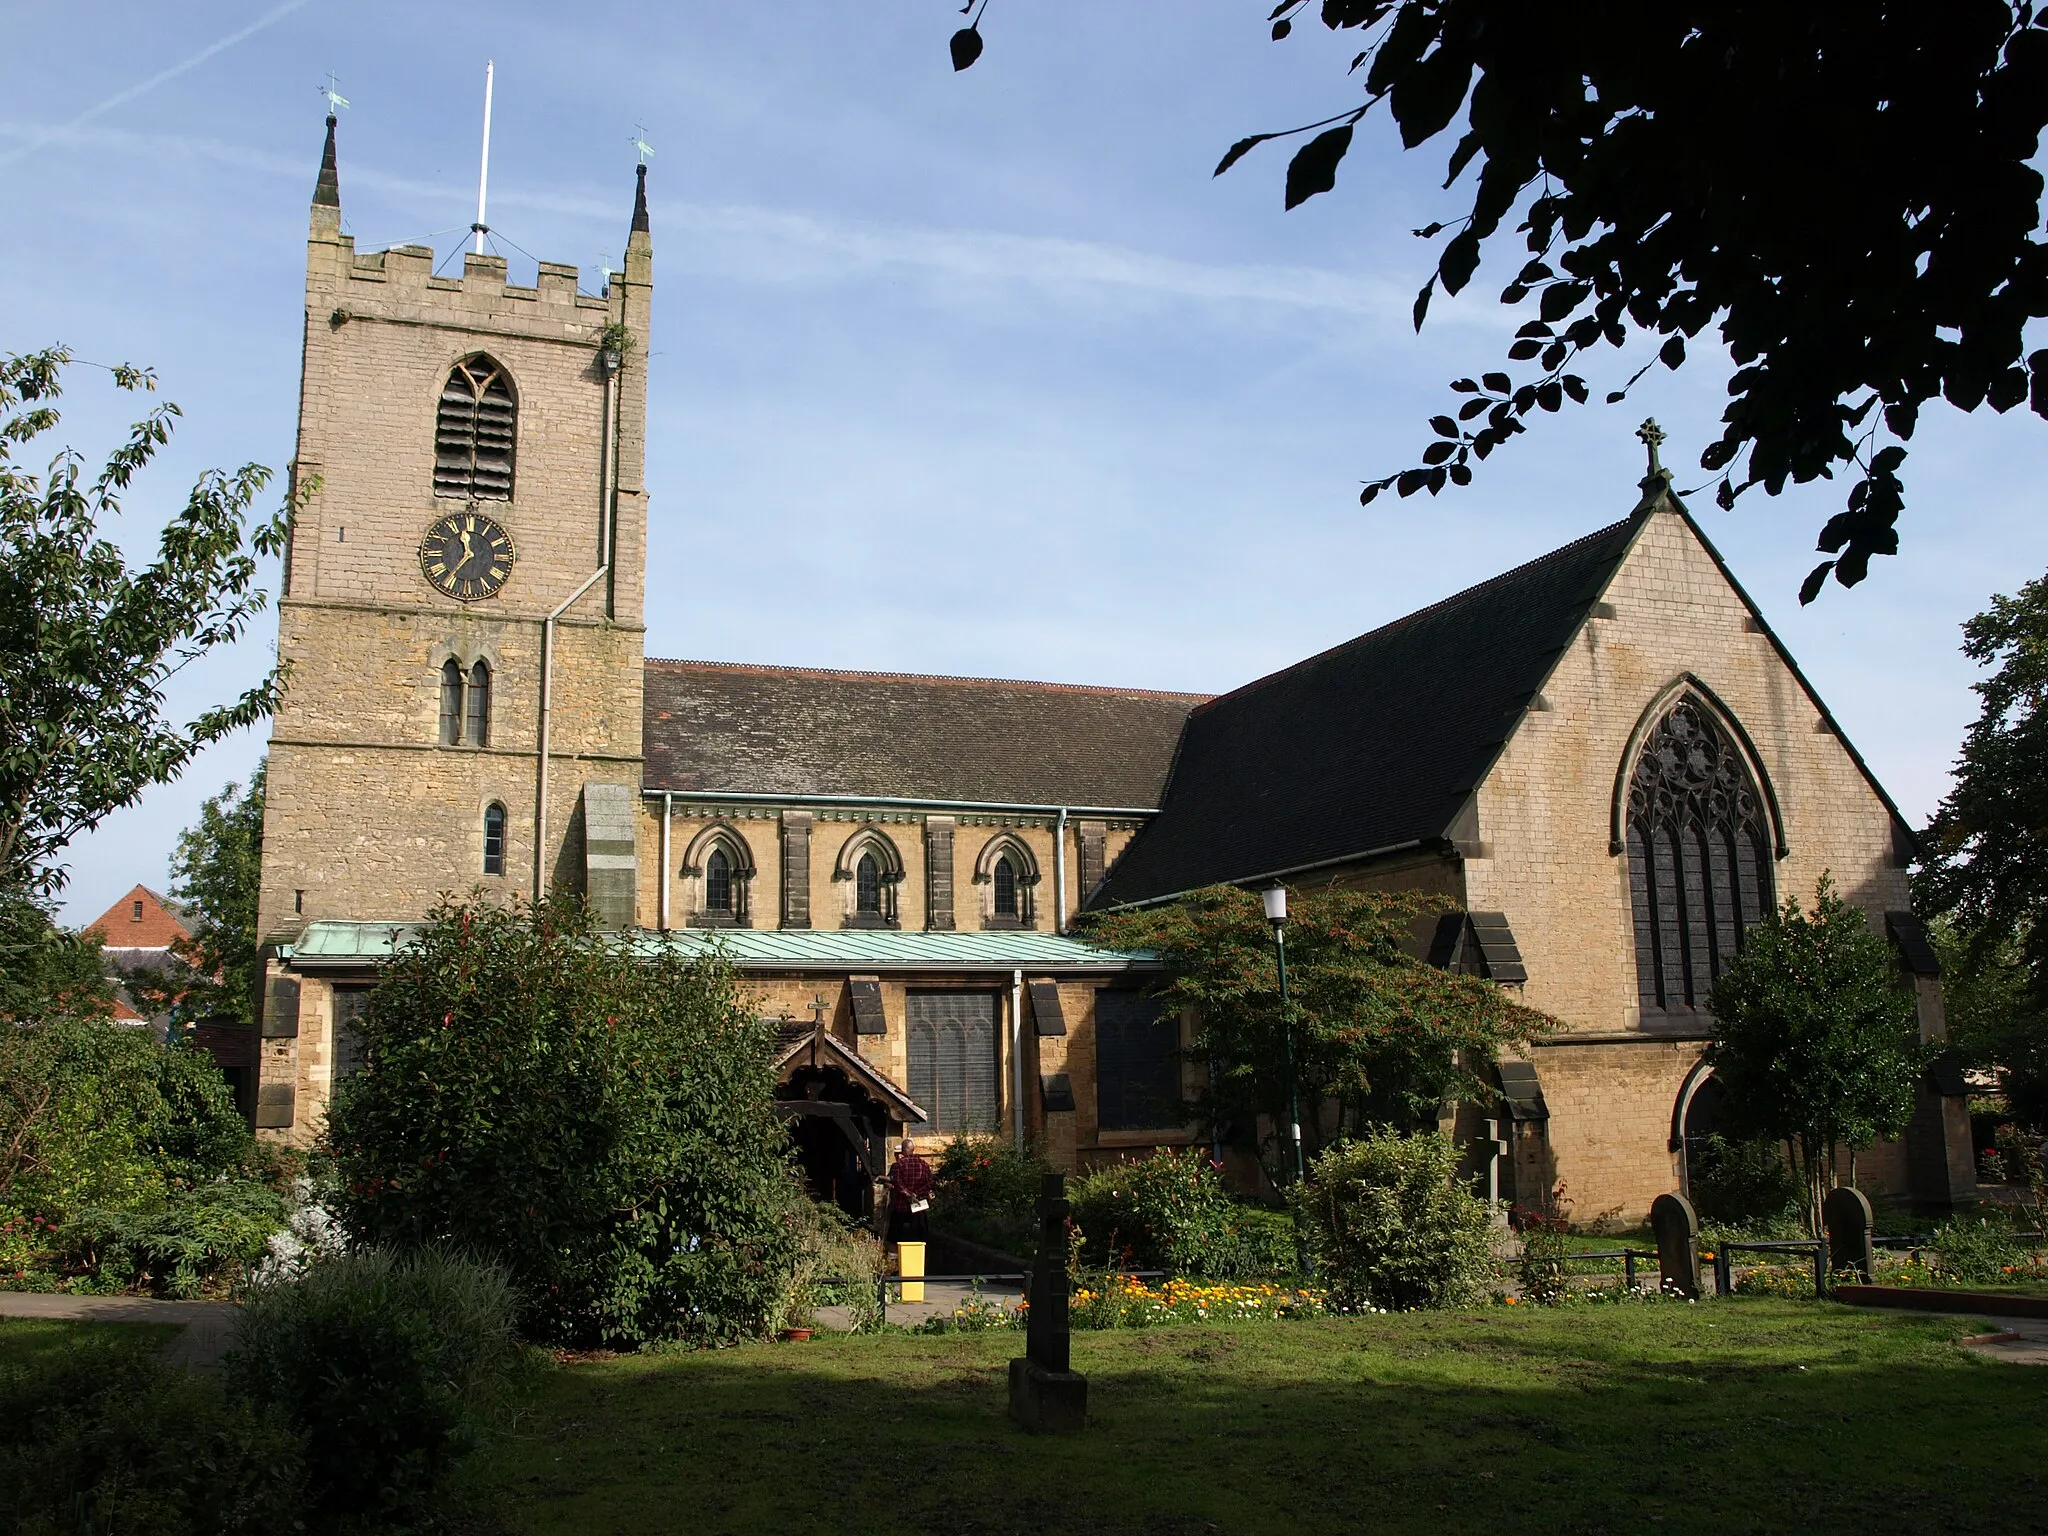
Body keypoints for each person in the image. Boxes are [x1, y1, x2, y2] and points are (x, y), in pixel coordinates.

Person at [888, 1136, 933, 1246]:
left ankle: (896, 1258)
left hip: (901, 1207)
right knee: (918, 1238)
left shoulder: (898, 1165)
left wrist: (908, 1194)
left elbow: (897, 1183)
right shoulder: (924, 1165)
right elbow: (930, 1183)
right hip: (919, 1207)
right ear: (913, 1149)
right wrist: (917, 1193)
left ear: (902, 1150)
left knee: (897, 1238)